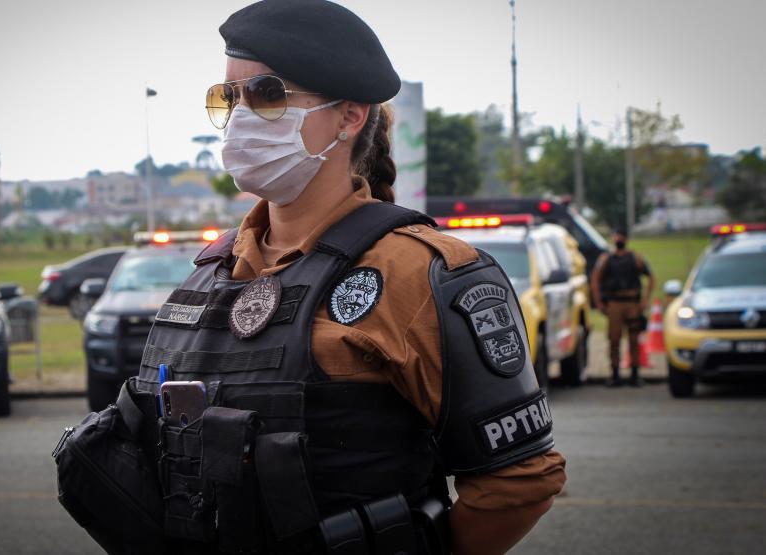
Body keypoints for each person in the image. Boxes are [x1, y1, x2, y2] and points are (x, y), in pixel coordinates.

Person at [132, 2, 565, 553]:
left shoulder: (424, 274)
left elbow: (520, 482)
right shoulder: (209, 274)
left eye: (267, 94)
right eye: (228, 97)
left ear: (349, 116)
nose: (240, 115)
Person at [591, 228, 656, 387]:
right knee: (614, 339)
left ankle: (634, 374)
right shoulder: (607, 259)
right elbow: (595, 279)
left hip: (632, 303)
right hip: (614, 303)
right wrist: (599, 302)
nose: (618, 239)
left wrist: (645, 300)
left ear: (626, 239)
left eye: (621, 236)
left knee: (634, 339)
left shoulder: (636, 258)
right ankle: (615, 374)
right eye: (617, 236)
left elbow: (651, 278)